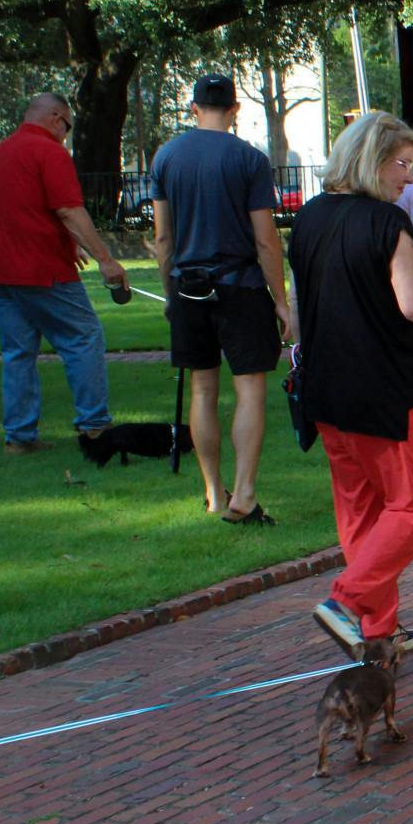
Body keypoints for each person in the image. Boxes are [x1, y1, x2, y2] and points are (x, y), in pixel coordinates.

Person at [292, 112, 413, 659]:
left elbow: (297, 307)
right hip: (383, 389)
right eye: (402, 163)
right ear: (372, 158)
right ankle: (348, 602)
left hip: (326, 388)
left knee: (361, 511)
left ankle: (375, 628)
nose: (408, 177)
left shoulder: (309, 219)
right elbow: (412, 305)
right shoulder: (388, 226)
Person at [151, 73, 291, 524]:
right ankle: (245, 493)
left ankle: (212, 491)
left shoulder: (167, 157)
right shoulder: (248, 158)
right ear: (234, 109)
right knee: (249, 387)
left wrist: (171, 291)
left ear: (194, 108)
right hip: (240, 284)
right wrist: (281, 299)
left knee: (202, 388)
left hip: (189, 286)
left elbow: (162, 236)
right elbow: (266, 239)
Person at [0, 93, 126, 454]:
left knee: (17, 352)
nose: (66, 135)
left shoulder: (1, 152)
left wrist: (66, 244)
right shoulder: (50, 152)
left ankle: (19, 437)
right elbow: (70, 211)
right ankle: (94, 427)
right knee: (83, 337)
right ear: (57, 118)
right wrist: (105, 259)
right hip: (39, 269)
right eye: (68, 127)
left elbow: (17, 208)